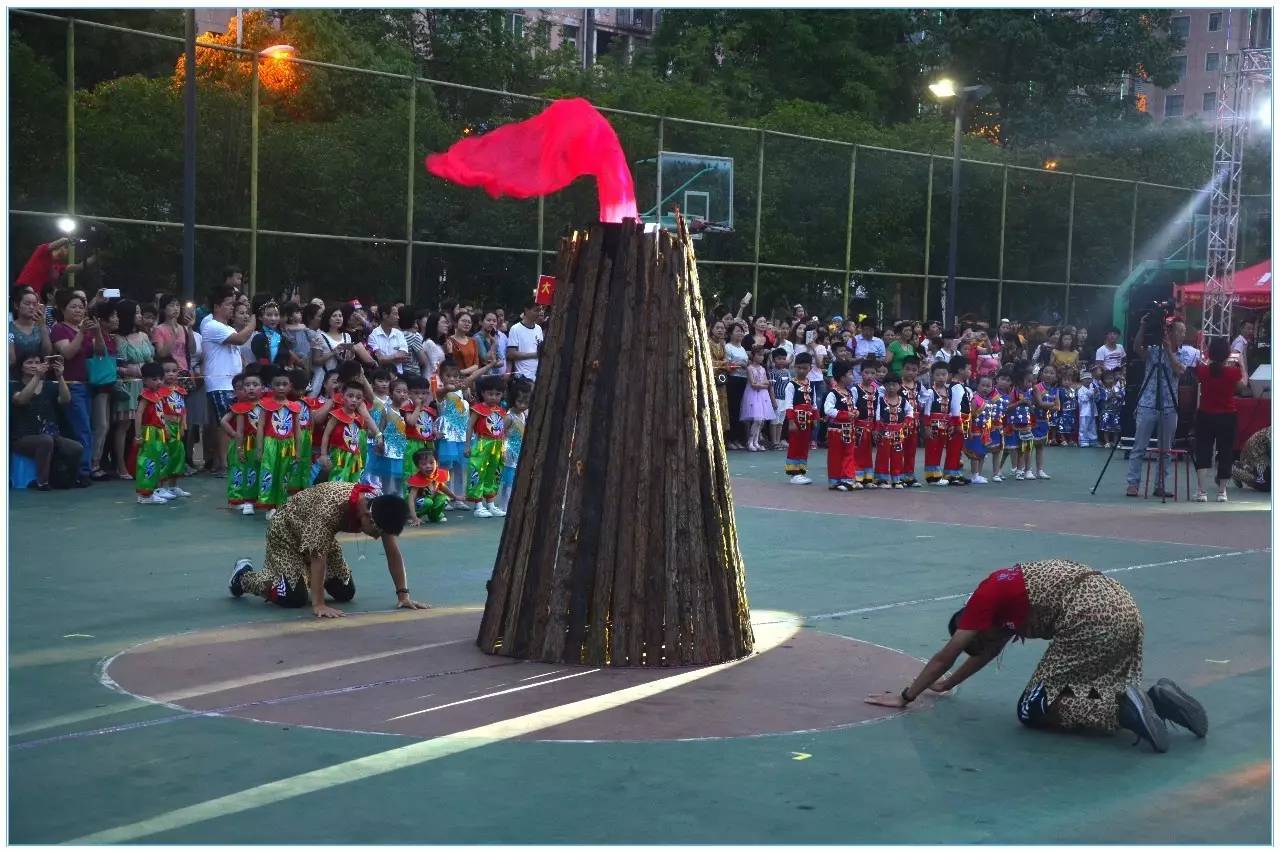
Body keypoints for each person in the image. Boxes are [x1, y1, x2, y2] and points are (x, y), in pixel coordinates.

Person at [865, 559, 1208, 754]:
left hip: (1089, 616)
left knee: (1033, 708)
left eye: (972, 638)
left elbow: (947, 655)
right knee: (1085, 683)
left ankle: (1119, 709)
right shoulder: (1004, 602)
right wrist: (947, 685)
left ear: (970, 623)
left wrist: (906, 695)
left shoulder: (984, 600)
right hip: (1122, 607)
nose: (980, 646)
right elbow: (985, 653)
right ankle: (1155, 699)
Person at [228, 480, 428, 618]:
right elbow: (318, 556)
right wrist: (318, 604)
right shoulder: (329, 509)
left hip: (319, 535)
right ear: (367, 516)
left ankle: (301, 575)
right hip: (287, 531)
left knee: (345, 591)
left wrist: (403, 595)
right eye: (376, 532)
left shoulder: (381, 507)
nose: (377, 537)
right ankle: (243, 576)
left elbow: (393, 553)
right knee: (293, 597)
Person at [200, 284, 258, 476]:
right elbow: (241, 339)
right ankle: (224, 464)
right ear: (216, 306)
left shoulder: (226, 327)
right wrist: (253, 322)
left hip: (230, 383)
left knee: (227, 423)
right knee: (224, 423)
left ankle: (223, 461)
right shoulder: (212, 325)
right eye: (228, 304)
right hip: (219, 383)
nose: (231, 308)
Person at [1125, 319, 1185, 498]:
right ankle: (1133, 484)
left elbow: (1178, 370)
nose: (1183, 335)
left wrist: (1168, 350)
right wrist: (1143, 326)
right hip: (1147, 402)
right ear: (1170, 332)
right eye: (1180, 331)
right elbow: (1136, 348)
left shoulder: (1185, 353)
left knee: (1165, 450)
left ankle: (1160, 485)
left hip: (1169, 405)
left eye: (1183, 332)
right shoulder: (1153, 352)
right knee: (1139, 446)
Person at [10, 353, 84, 489]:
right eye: (29, 363)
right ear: (21, 367)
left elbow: (66, 399)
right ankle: (42, 482)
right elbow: (21, 400)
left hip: (51, 434)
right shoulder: (14, 386)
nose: (34, 366)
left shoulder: (49, 386)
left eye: (37, 362)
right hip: (22, 436)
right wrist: (37, 377)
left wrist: (60, 376)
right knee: (45, 440)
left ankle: (70, 481)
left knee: (75, 447)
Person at [49, 289, 97, 479]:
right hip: (70, 385)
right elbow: (67, 353)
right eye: (73, 307)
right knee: (82, 429)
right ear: (63, 309)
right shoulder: (59, 328)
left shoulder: (83, 329)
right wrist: (82, 334)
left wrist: (97, 332)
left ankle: (81, 468)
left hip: (87, 384)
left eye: (81, 307)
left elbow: (97, 352)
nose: (78, 310)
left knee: (86, 428)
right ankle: (82, 471)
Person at [1192, 338, 1246, 503]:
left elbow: (1197, 378)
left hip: (1205, 414)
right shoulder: (1232, 372)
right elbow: (1242, 385)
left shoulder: (1202, 370)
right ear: (1227, 354)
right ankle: (1222, 492)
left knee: (1203, 451)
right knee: (1226, 452)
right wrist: (1242, 364)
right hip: (1227, 414)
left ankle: (1202, 491)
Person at [254, 367, 303, 518]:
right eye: (277, 384)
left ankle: (280, 505)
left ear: (290, 386)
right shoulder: (265, 405)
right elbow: (261, 427)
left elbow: (297, 430)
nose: (281, 387)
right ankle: (269, 506)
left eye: (284, 384)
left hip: (288, 446)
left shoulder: (294, 406)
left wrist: (298, 451)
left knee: (284, 474)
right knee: (269, 472)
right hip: (271, 444)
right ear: (271, 386)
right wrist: (260, 448)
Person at [319, 379, 381, 486]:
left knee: (352, 487)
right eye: (350, 396)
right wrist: (324, 455)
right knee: (337, 485)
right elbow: (326, 435)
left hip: (355, 458)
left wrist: (378, 435)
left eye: (358, 397)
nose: (354, 400)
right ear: (343, 397)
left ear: (362, 400)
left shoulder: (359, 418)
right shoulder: (336, 415)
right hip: (339, 456)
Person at [465, 375, 508, 518]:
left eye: (498, 394)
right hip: (483, 443)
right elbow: (470, 426)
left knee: (494, 473)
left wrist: (504, 448)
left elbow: (504, 431)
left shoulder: (501, 411)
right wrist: (468, 445)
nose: (494, 397)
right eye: (490, 394)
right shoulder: (478, 409)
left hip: (497, 445)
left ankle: (490, 504)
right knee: (478, 472)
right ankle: (478, 505)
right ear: (483, 393)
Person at [222, 372, 264, 514]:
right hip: (243, 443)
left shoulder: (266, 406)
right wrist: (235, 438)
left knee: (254, 470)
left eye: (255, 385)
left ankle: (252, 498)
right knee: (239, 470)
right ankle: (236, 500)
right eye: (247, 385)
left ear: (263, 388)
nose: (251, 388)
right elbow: (224, 421)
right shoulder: (240, 406)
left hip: (259, 444)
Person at [435, 360, 471, 508]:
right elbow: (445, 390)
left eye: (455, 376)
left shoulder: (462, 392)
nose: (452, 379)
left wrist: (466, 390)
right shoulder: (441, 391)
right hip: (447, 434)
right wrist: (451, 387)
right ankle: (444, 497)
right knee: (445, 467)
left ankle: (459, 497)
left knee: (460, 467)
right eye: (448, 376)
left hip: (461, 434)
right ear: (442, 377)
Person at [781, 352, 818, 484]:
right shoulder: (792, 385)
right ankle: (794, 473)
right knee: (795, 445)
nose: (801, 370)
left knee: (804, 445)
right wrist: (791, 421)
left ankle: (801, 471)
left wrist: (815, 418)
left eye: (805, 368)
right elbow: (789, 404)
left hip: (807, 420)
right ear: (795, 367)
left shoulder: (811, 384)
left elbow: (814, 404)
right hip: (796, 419)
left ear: (810, 368)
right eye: (799, 368)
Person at [822, 361, 860, 491]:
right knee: (835, 455)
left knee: (849, 453)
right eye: (850, 374)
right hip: (837, 430)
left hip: (849, 429)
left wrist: (855, 411)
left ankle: (847, 479)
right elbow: (828, 410)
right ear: (842, 377)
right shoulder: (833, 393)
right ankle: (835, 480)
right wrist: (845, 414)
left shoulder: (849, 392)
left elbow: (853, 406)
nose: (852, 377)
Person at [872, 372, 912, 488]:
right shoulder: (880, 400)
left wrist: (906, 423)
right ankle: (881, 479)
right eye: (888, 385)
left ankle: (896, 478)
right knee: (882, 456)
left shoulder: (903, 401)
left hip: (898, 434)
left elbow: (910, 411)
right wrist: (877, 429)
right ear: (884, 386)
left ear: (900, 385)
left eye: (894, 385)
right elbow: (878, 416)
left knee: (898, 455)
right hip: (884, 433)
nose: (891, 387)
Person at [497, 380, 530, 512]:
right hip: (510, 452)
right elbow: (501, 435)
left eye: (526, 403)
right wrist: (503, 450)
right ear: (513, 399)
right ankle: (504, 506)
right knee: (508, 482)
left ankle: (514, 505)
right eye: (520, 402)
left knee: (518, 479)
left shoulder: (522, 414)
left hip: (519, 451)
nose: (523, 406)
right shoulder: (509, 417)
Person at [919, 361, 951, 485]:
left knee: (939, 450)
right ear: (932, 375)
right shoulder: (931, 392)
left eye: (944, 374)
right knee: (932, 449)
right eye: (938, 375)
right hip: (933, 425)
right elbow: (926, 411)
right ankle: (932, 476)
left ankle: (935, 474)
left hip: (944, 425)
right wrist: (927, 427)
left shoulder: (949, 391)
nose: (941, 378)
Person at [406, 449, 457, 525]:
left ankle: (434, 516)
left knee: (443, 498)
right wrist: (414, 517)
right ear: (418, 466)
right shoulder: (417, 479)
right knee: (427, 502)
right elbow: (411, 499)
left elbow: (442, 487)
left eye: (431, 463)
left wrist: (455, 497)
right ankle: (413, 517)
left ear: (437, 463)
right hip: (417, 503)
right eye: (424, 464)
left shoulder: (436, 474)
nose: (428, 466)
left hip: (430, 499)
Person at [740, 345, 774, 452]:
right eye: (759, 355)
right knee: (757, 419)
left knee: (761, 421)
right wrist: (763, 384)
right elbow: (753, 384)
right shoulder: (750, 368)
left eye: (762, 355)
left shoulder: (763, 369)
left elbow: (766, 382)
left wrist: (763, 384)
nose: (761, 357)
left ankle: (756, 441)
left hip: (762, 396)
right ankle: (750, 441)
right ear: (753, 356)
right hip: (753, 395)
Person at [367, 305, 411, 375]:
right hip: (382, 376)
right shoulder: (373, 336)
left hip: (398, 374)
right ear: (384, 315)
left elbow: (403, 355)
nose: (398, 317)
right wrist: (396, 357)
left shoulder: (399, 334)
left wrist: (386, 358)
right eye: (395, 314)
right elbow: (380, 359)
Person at [1231, 426, 1269, 492]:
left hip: (1262, 455)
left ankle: (1241, 467)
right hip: (1253, 454)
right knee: (1265, 484)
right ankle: (1232, 470)